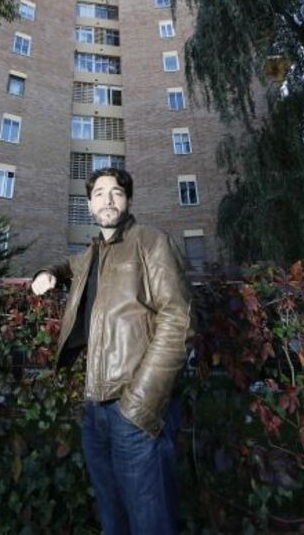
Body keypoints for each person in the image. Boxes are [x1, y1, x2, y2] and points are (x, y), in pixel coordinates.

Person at [31, 168, 192, 535]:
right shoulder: (91, 254)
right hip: (95, 411)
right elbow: (67, 266)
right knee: (112, 519)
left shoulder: (151, 242)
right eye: (99, 193)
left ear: (128, 200)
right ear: (89, 206)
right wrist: (48, 272)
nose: (108, 198)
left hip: (136, 410)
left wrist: (141, 402)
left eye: (117, 192)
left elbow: (179, 321)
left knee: (150, 525)